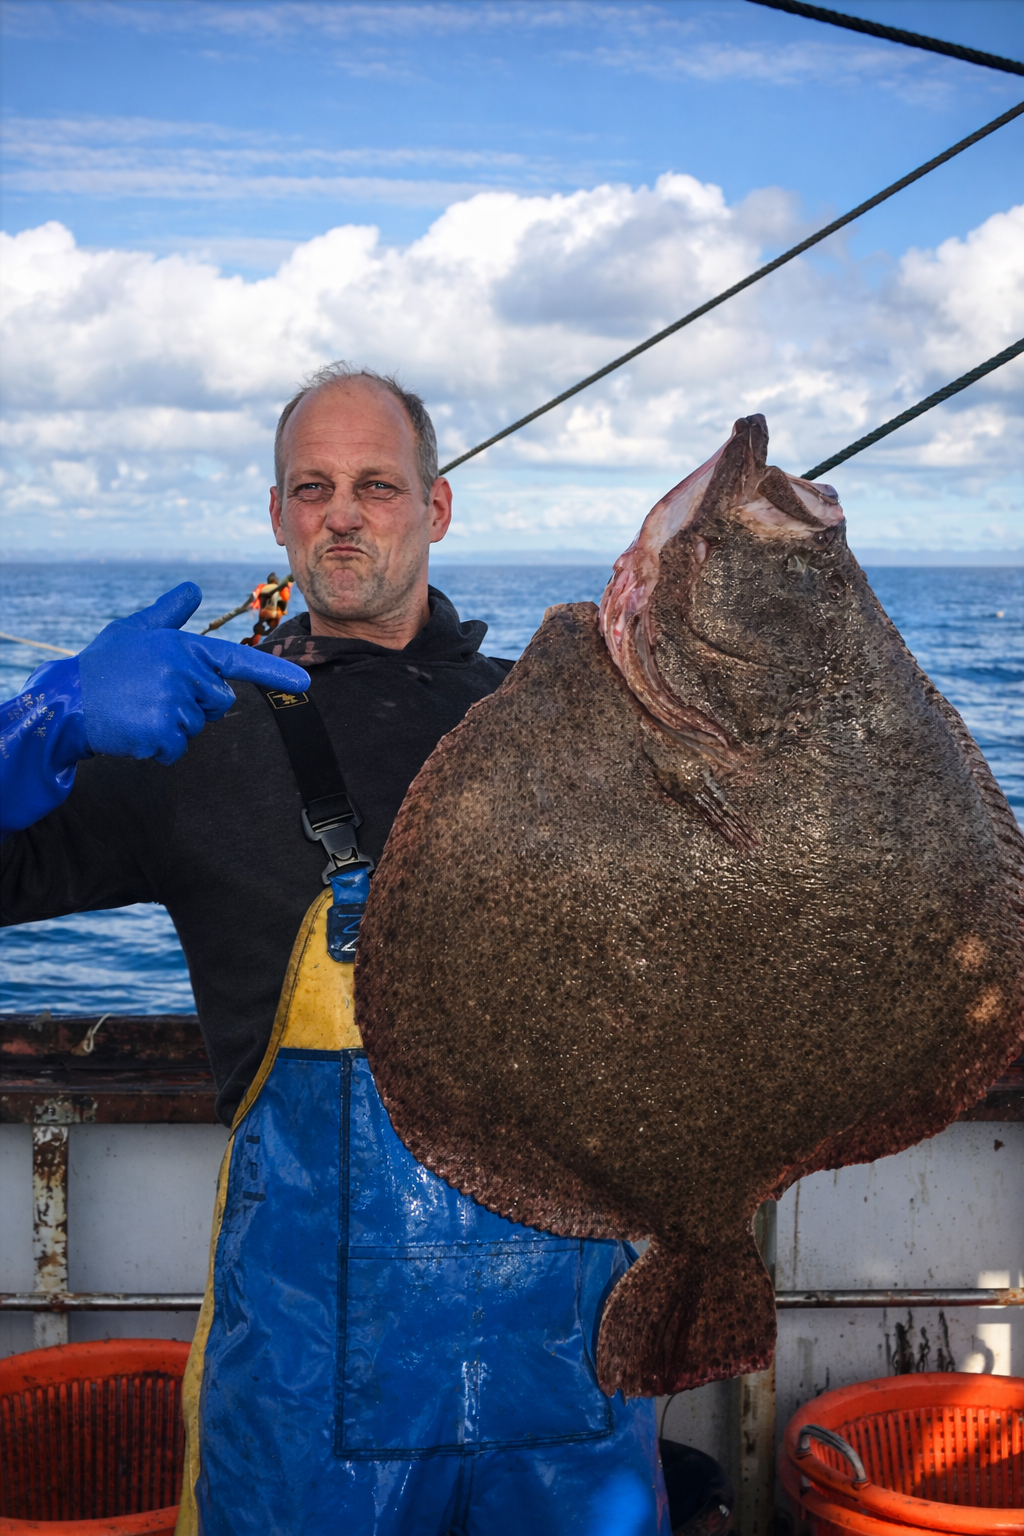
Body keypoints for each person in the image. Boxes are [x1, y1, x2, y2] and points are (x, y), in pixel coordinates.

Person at [0, 363, 669, 1535]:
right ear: (276, 518)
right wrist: (43, 719)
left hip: (574, 1394)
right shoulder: (191, 739)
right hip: (308, 1418)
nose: (344, 514)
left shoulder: (569, 727)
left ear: (437, 507)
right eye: (312, 488)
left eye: (377, 484)